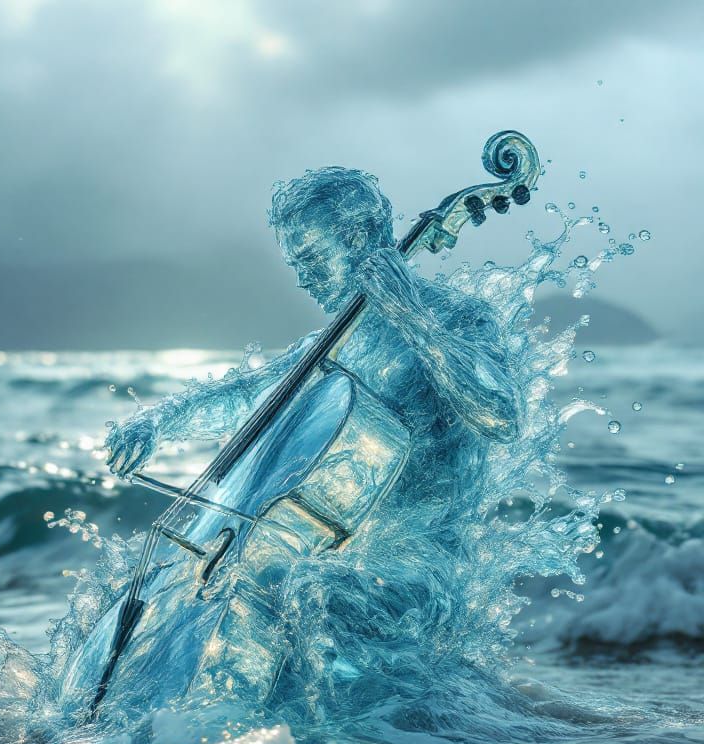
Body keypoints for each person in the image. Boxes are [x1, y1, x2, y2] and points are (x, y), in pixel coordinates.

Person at [103, 167, 524, 686]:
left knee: (307, 601)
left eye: (310, 259)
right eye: (294, 264)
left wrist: (411, 315)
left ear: (360, 239)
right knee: (254, 600)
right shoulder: (332, 341)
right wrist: (159, 421)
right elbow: (247, 394)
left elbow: (501, 414)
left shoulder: (457, 316)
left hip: (423, 577)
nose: (302, 278)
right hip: (342, 564)